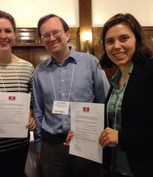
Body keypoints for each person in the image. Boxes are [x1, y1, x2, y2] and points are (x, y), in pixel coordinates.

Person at [32, 14, 110, 177]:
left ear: (67, 34)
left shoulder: (91, 63)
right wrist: (39, 146)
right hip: (52, 147)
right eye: (46, 35)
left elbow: (105, 102)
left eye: (56, 32)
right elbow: (39, 112)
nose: (51, 38)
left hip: (86, 142)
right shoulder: (39, 72)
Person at [0, 10, 36, 177]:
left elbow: (30, 102)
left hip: (18, 147)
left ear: (14, 34)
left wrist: (30, 117)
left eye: (8, 31)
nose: (3, 36)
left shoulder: (27, 67)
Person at [97, 13, 153, 177]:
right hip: (115, 168)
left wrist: (122, 138)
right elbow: (118, 123)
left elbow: (121, 134)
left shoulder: (150, 71)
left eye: (123, 38)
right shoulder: (116, 78)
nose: (116, 46)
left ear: (137, 39)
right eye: (110, 41)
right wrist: (84, 133)